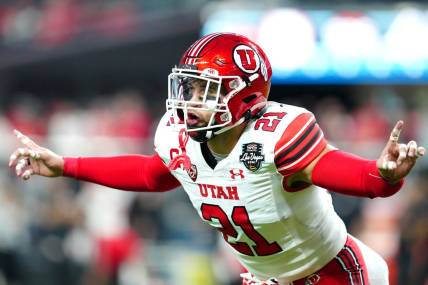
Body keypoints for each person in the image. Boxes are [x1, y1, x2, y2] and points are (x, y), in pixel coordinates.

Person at [8, 33, 425, 285]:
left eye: (203, 90)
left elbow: (360, 179)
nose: (188, 101)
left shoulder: (278, 137)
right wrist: (65, 164)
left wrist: (384, 173)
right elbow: (153, 174)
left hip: (332, 274)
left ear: (245, 96)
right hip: (262, 278)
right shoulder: (178, 136)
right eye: (188, 88)